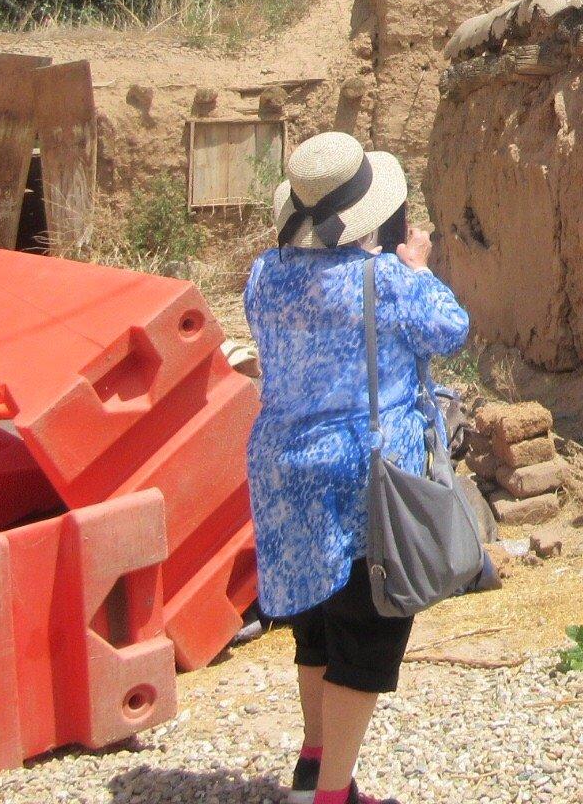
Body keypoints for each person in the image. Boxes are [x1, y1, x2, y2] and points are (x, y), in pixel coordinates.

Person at [245, 131, 470, 804]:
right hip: (361, 479)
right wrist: (419, 267)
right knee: (365, 634)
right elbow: (450, 328)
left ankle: (314, 762)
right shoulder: (388, 282)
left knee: (314, 621)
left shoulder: (265, 274)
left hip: (283, 470)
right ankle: (333, 795)